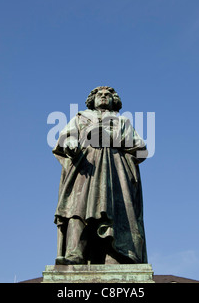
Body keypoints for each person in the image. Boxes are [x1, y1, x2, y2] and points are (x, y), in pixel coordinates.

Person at [52, 86, 148, 265]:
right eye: (99, 95)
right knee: (77, 208)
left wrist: (110, 138)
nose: (103, 97)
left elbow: (141, 150)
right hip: (85, 166)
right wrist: (71, 142)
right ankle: (75, 254)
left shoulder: (122, 121)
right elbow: (65, 137)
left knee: (116, 211)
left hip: (115, 170)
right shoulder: (80, 118)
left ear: (114, 101)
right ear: (92, 99)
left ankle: (116, 253)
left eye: (108, 95)